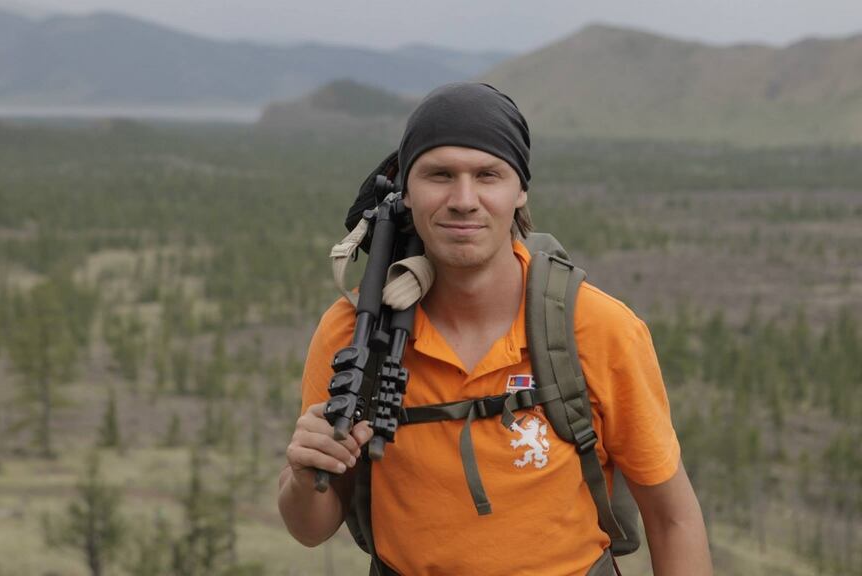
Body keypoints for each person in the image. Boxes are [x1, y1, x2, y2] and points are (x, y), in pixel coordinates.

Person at [278, 82, 712, 575]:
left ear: (520, 189)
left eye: (488, 175)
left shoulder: (598, 328)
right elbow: (310, 528)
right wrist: (303, 473)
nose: (464, 199)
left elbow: (673, 518)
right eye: (439, 175)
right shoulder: (356, 334)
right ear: (406, 189)